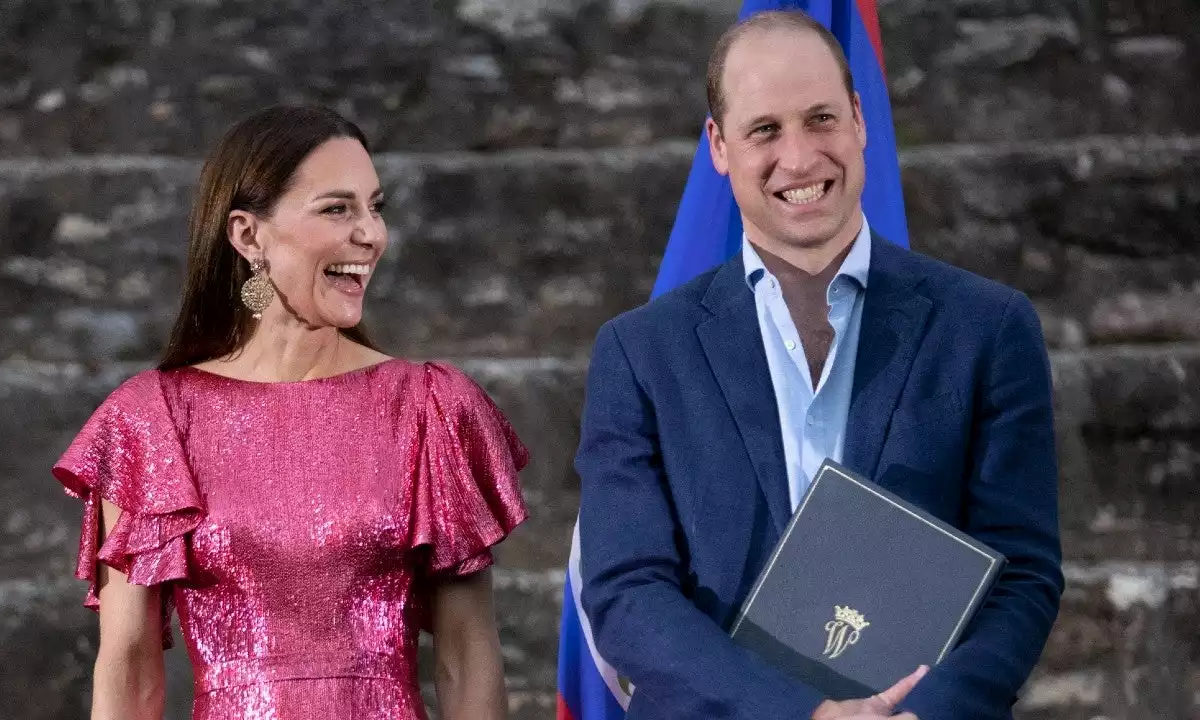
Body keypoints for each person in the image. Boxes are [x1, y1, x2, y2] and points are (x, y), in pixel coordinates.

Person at [575, 10, 1063, 720]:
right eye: (765, 129)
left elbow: (1022, 573)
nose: (800, 159)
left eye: (822, 119)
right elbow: (626, 594)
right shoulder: (639, 353)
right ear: (718, 145)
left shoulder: (988, 327)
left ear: (860, 120)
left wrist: (925, 713)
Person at [52, 105, 529, 720]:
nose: (372, 235)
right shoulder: (151, 420)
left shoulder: (432, 407)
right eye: (338, 208)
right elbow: (129, 669)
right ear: (248, 236)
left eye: (375, 207)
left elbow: (467, 655)